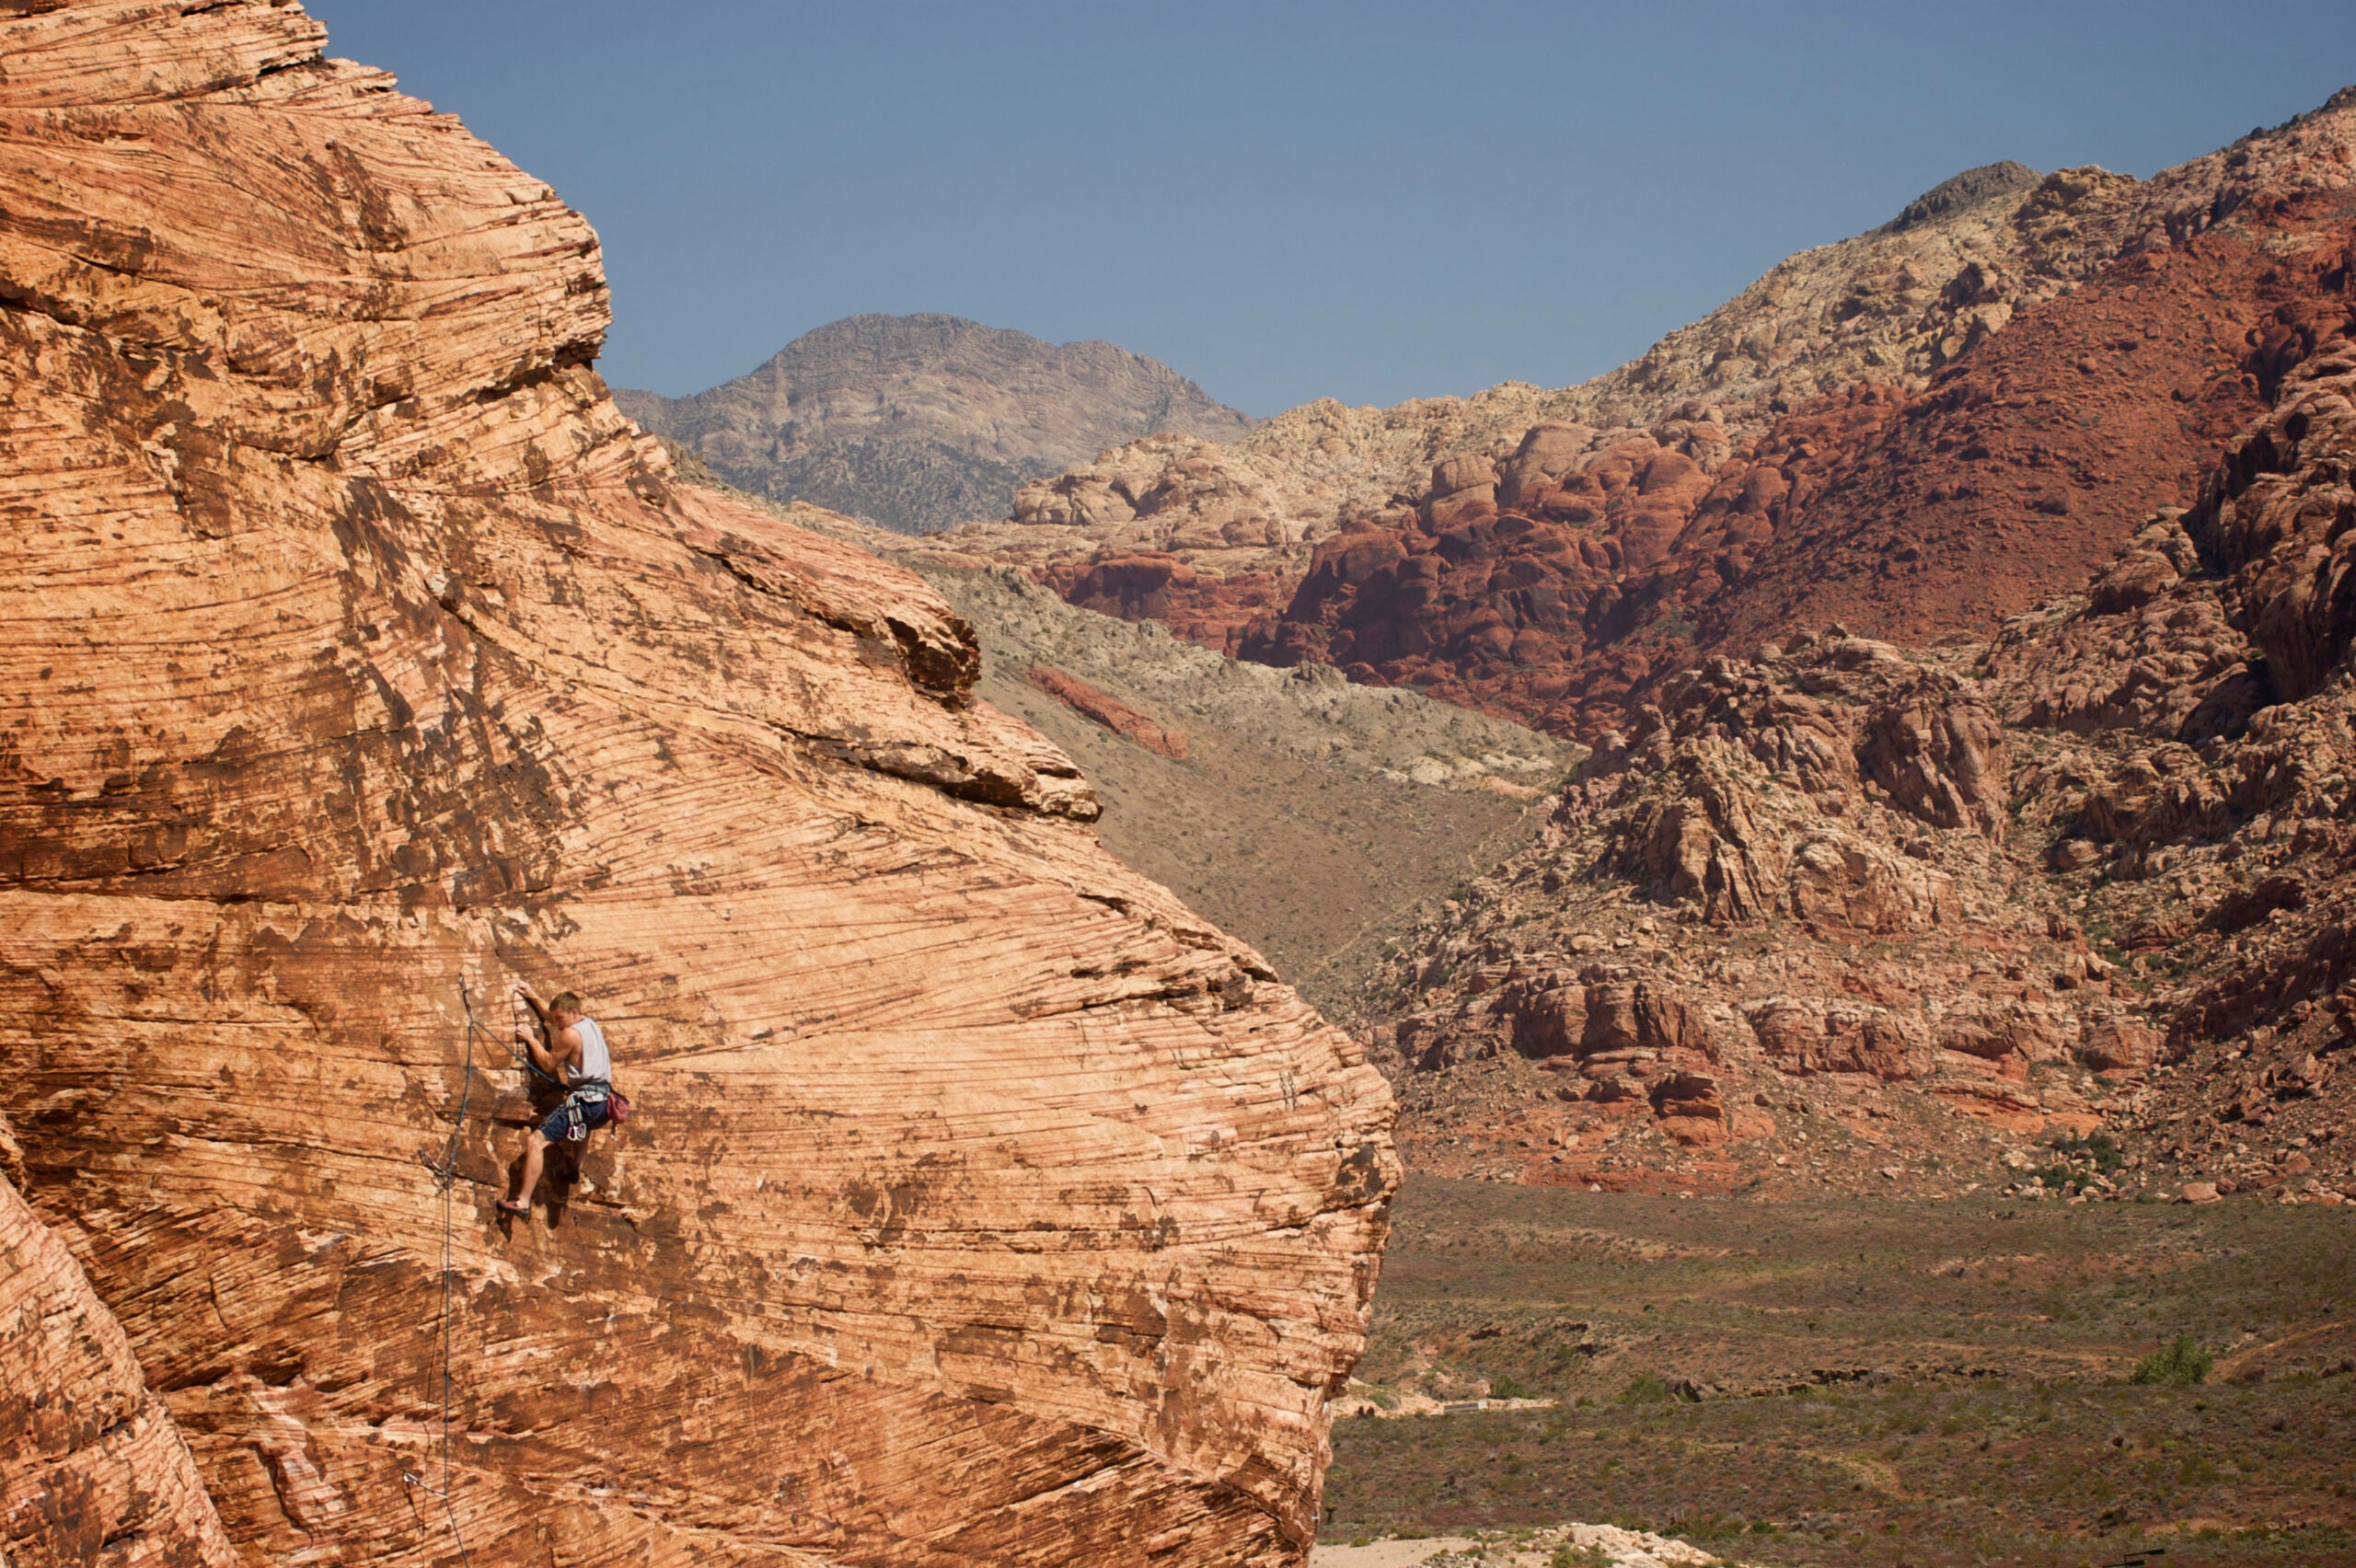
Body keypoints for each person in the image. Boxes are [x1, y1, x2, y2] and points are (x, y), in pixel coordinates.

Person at [496, 984, 617, 1216]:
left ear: (573, 1013)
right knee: (585, 1125)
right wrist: (532, 995)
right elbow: (551, 1016)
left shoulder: (570, 1034)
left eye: (560, 1019)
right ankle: (575, 1167)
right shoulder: (590, 1024)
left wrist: (531, 1039)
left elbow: (549, 1064)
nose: (557, 1024)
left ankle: (522, 1202)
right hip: (604, 1103)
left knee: (535, 1143)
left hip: (585, 1101)